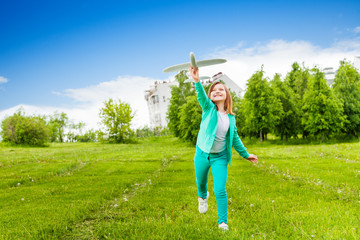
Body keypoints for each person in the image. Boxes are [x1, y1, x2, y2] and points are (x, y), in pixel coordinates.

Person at [190, 66, 258, 230]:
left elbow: (234, 138)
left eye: (221, 89)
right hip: (202, 154)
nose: (217, 91)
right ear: (211, 96)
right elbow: (200, 95)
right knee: (201, 184)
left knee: (220, 189)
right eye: (214, 90)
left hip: (219, 157)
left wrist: (246, 154)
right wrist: (197, 81)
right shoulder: (208, 109)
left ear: (227, 94)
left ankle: (222, 222)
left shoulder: (231, 118)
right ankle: (202, 196)